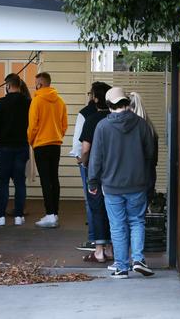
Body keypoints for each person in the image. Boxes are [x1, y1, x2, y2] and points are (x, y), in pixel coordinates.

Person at [88, 87, 155, 278]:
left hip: (111, 186)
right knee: (136, 221)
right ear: (126, 102)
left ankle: (121, 267)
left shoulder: (103, 127)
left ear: (109, 106)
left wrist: (92, 182)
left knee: (117, 225)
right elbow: (150, 156)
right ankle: (138, 259)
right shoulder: (142, 125)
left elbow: (96, 158)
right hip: (137, 183)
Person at [0, 74, 30, 226]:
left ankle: (0, 216)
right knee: (20, 182)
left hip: (4, 147)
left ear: (8, 85)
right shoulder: (28, 102)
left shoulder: (1, 102)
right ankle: (19, 216)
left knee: (3, 181)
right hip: (22, 146)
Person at [28, 72, 68, 228]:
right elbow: (64, 125)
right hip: (55, 143)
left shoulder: (36, 101)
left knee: (45, 179)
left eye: (36, 82)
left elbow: (33, 126)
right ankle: (54, 213)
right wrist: (57, 135)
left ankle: (49, 214)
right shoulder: (60, 101)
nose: (35, 85)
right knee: (54, 178)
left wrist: (31, 140)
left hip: (41, 144)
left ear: (40, 84)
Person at [78, 82, 113, 262]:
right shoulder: (115, 119)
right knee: (113, 209)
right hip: (114, 171)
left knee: (97, 209)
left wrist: (84, 163)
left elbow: (85, 149)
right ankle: (110, 248)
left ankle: (99, 250)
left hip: (95, 172)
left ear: (97, 98)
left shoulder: (92, 119)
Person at [71, 85, 98, 251]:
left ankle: (93, 238)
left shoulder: (86, 113)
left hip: (89, 161)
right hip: (108, 163)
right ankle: (107, 240)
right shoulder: (111, 114)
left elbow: (78, 140)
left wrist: (79, 158)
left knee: (90, 199)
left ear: (93, 96)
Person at [128, 92, 159, 206]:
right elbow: (153, 159)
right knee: (140, 218)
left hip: (131, 180)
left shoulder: (130, 128)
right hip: (148, 177)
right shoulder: (150, 127)